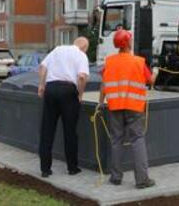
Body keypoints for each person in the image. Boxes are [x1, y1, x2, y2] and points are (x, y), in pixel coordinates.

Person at [99, 29, 158, 189]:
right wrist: (156, 71)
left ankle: (116, 177)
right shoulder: (138, 62)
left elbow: (104, 85)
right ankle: (142, 180)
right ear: (128, 43)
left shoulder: (109, 61)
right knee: (137, 140)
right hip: (134, 108)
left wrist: (100, 103)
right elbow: (150, 80)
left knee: (116, 140)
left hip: (115, 107)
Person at [38, 37, 90, 177]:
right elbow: (82, 77)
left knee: (47, 130)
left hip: (51, 89)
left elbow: (42, 67)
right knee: (70, 131)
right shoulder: (81, 55)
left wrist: (42, 86)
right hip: (68, 91)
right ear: (84, 47)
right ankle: (72, 168)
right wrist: (80, 94)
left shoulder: (57, 49)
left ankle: (45, 169)